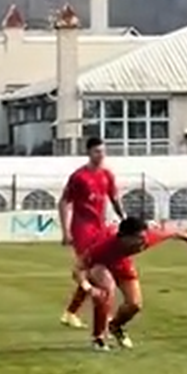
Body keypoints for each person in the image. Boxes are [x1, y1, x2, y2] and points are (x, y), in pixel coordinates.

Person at [75, 215, 187, 350]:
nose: (144, 241)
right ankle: (98, 338)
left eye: (144, 236)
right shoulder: (103, 247)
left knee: (135, 305)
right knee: (106, 290)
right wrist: (89, 288)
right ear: (125, 237)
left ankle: (115, 326)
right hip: (100, 264)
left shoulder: (149, 237)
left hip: (122, 262)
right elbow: (78, 269)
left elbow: (175, 232)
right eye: (139, 238)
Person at [59, 137, 124, 328]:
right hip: (82, 229)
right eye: (97, 151)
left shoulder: (107, 175)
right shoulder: (79, 176)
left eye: (103, 151)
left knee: (91, 272)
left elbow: (115, 198)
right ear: (88, 152)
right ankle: (105, 316)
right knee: (97, 271)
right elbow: (64, 201)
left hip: (100, 228)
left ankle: (71, 312)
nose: (101, 155)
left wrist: (124, 218)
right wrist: (65, 231)